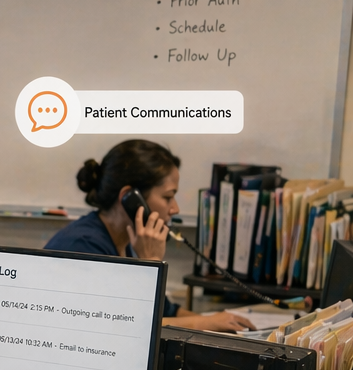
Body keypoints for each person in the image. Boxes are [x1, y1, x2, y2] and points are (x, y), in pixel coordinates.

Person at [45, 139, 252, 333]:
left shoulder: (126, 242)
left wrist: (220, 321)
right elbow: (129, 327)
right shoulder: (82, 247)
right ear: (129, 198)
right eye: (168, 197)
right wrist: (150, 261)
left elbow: (166, 310)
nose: (175, 209)